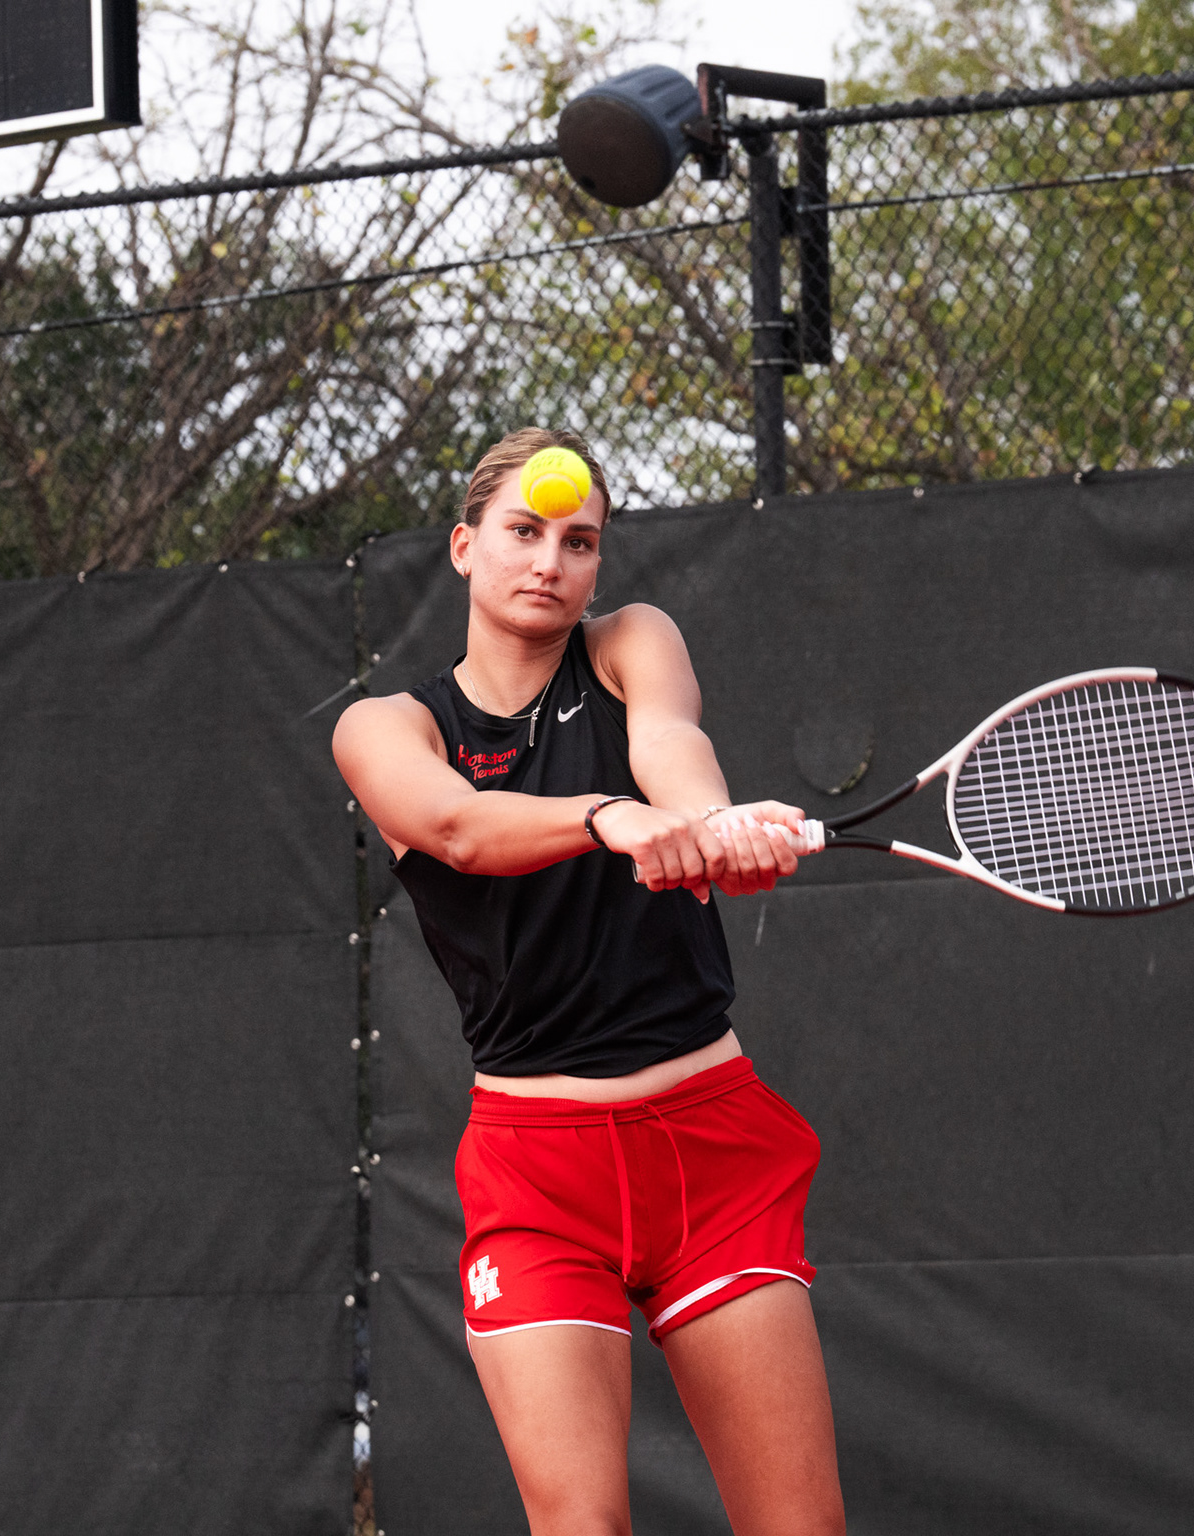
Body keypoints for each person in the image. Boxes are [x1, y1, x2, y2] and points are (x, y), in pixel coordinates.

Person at [332, 427, 844, 1536]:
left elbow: (670, 743)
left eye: (579, 542)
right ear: (464, 546)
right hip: (537, 1179)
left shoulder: (630, 642)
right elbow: (458, 828)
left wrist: (710, 827)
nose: (549, 561)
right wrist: (611, 819)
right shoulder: (386, 728)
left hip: (711, 1155)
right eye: (523, 531)